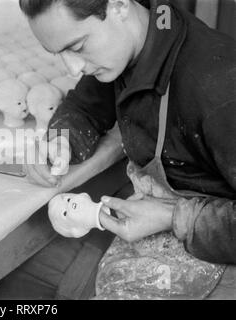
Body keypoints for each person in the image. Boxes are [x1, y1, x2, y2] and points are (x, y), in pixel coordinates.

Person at [16, 0, 235, 299]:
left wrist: (172, 217)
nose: (72, 68)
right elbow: (85, 106)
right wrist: (61, 140)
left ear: (118, 4)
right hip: (160, 231)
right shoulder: (131, 42)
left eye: (77, 47)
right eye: (59, 54)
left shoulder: (217, 88)